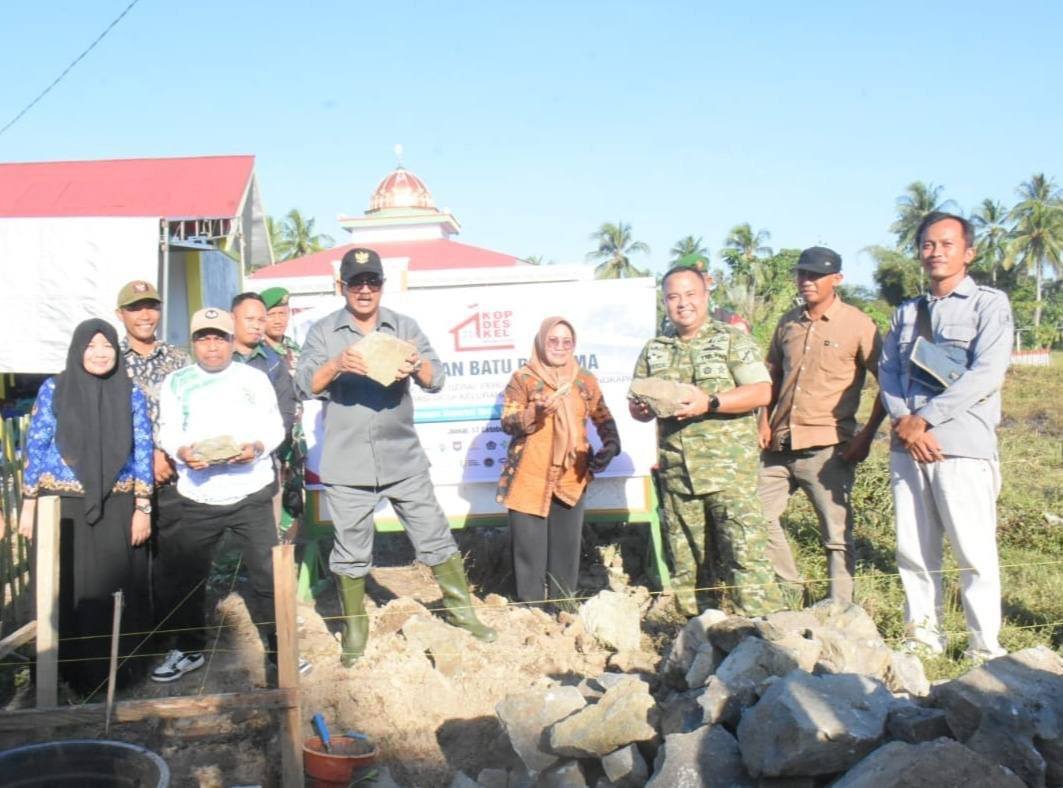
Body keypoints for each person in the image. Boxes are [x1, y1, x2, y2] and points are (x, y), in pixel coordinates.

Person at [295, 247, 496, 667]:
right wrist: (337, 364)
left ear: (382, 285)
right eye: (356, 282)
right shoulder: (324, 332)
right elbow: (305, 385)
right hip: (348, 463)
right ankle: (355, 629)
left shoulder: (404, 327)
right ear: (341, 286)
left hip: (403, 458)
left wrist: (417, 363)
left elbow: (436, 379)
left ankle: (462, 613)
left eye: (372, 281)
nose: (364, 290)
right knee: (351, 552)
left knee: (434, 536)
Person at [879, 212, 1013, 661]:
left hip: (961, 447)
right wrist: (904, 421)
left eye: (946, 244)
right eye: (928, 244)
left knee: (973, 552)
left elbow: (986, 374)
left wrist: (925, 419)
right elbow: (888, 373)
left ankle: (984, 648)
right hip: (907, 446)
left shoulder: (988, 305)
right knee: (914, 550)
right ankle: (922, 639)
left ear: (968, 253)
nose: (935, 252)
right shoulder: (906, 313)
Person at [630, 266, 785, 618]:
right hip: (678, 475)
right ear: (665, 302)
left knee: (745, 555)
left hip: (729, 474)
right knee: (686, 563)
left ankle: (762, 632)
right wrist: (641, 409)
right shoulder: (655, 349)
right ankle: (697, 633)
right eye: (673, 297)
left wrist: (711, 402)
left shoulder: (731, 340)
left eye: (690, 295)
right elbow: (636, 406)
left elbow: (761, 392)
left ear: (705, 296)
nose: (682, 303)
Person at [18, 319, 153, 694]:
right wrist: (29, 503)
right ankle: (61, 676)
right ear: (78, 350)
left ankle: (114, 676)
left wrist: (143, 508)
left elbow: (143, 449)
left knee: (113, 587)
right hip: (61, 508)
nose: (100, 353)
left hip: (118, 505)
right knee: (63, 587)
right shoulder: (55, 389)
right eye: (91, 346)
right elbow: (37, 444)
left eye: (107, 345)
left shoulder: (131, 392)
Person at [152, 308, 285, 682]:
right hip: (198, 494)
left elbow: (274, 425)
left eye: (219, 338)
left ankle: (281, 648)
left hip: (250, 491)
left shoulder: (253, 379)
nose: (212, 347)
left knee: (266, 575)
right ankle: (189, 649)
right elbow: (168, 430)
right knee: (187, 576)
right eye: (203, 338)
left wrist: (256, 447)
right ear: (193, 343)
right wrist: (182, 452)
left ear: (231, 341)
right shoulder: (177, 382)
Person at [757, 247, 886, 603]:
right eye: (802, 274)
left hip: (828, 447)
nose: (806, 281)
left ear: (837, 279)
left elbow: (888, 384)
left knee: (836, 535)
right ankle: (791, 594)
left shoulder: (858, 325)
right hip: (779, 444)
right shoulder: (788, 322)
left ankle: (840, 611)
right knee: (754, 517)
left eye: (815, 275)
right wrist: (763, 421)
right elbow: (772, 375)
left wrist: (866, 435)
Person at [497, 317, 620, 603]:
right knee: (529, 553)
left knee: (566, 551)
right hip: (529, 476)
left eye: (567, 341)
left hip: (571, 476)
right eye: (553, 340)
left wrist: (612, 446)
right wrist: (535, 413)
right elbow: (508, 422)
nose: (560, 347)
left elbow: (603, 416)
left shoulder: (584, 379)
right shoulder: (523, 378)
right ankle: (532, 613)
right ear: (541, 342)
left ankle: (563, 610)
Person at [113, 280, 191, 618]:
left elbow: (192, 413)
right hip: (126, 478)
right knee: (131, 562)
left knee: (173, 560)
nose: (145, 315)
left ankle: (173, 630)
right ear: (120, 314)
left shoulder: (179, 359)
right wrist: (143, 460)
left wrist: (168, 454)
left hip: (171, 476)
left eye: (151, 307)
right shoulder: (109, 360)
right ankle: (138, 631)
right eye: (135, 308)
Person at [261, 286, 301, 371]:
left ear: (289, 314)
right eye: (271, 315)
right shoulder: (257, 350)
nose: (278, 321)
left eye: (282, 314)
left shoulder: (293, 347)